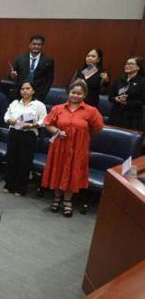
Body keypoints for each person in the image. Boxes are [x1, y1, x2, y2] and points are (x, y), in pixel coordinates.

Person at [42, 80, 103, 217]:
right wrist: (57, 132)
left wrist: (81, 135)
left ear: (85, 95)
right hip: (59, 146)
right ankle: (57, 198)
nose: (75, 95)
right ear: (68, 93)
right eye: (73, 92)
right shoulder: (58, 108)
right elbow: (48, 124)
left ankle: (68, 200)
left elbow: (97, 128)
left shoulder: (91, 111)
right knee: (58, 170)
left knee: (72, 172)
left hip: (78, 148)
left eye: (79, 93)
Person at [3, 81, 47, 196]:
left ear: (33, 90)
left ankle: (20, 188)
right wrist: (9, 120)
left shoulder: (39, 105)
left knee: (24, 162)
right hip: (14, 133)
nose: (25, 91)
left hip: (28, 135)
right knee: (11, 159)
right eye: (22, 89)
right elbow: (6, 115)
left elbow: (44, 120)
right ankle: (8, 185)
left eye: (28, 88)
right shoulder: (15, 103)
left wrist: (32, 125)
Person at [10, 35, 55, 101]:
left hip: (38, 95)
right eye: (34, 44)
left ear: (41, 46)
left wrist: (43, 93)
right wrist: (12, 76)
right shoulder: (20, 59)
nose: (36, 46)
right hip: (20, 93)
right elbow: (12, 76)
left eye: (39, 44)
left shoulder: (48, 61)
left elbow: (50, 79)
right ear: (30, 45)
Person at [108, 56, 144, 130]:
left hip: (132, 117)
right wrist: (116, 99)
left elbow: (142, 101)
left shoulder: (142, 82)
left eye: (131, 64)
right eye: (126, 63)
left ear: (138, 67)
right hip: (116, 114)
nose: (127, 65)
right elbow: (110, 97)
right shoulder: (119, 80)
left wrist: (126, 103)